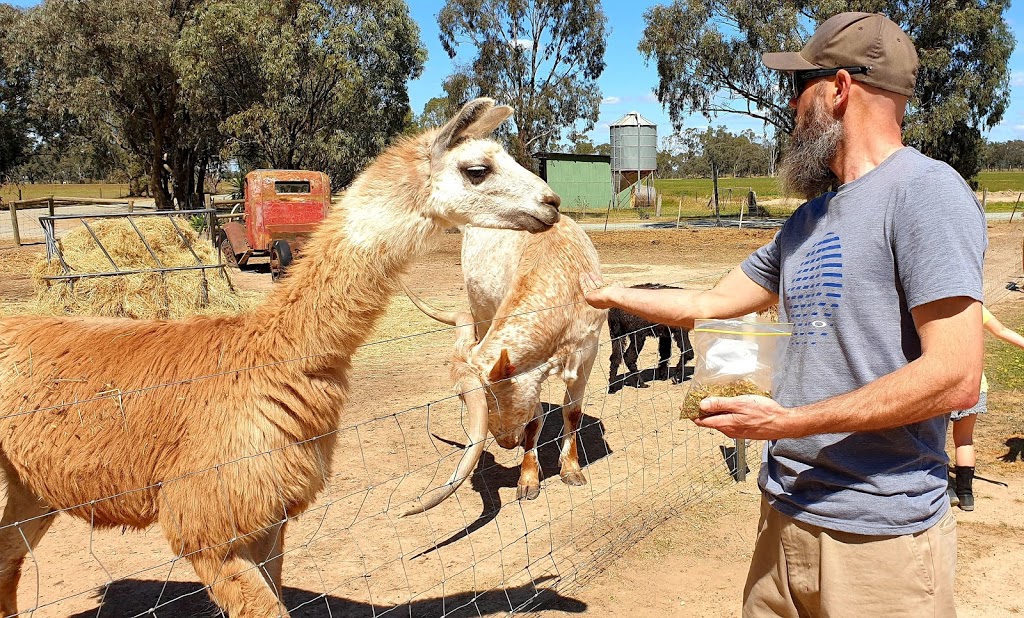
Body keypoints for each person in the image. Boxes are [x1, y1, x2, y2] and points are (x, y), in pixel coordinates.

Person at [582, 12, 987, 617]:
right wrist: (605, 292)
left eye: (798, 87)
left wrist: (790, 423)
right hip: (784, 514)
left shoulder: (924, 192)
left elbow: (954, 375)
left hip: (879, 540)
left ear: (839, 88)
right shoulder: (806, 222)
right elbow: (707, 304)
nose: (791, 107)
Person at [948, 305, 1024, 511]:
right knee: (964, 440)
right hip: (973, 385)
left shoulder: (934, 305)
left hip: (941, 385)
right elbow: (1001, 331)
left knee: (932, 439)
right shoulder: (974, 307)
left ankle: (946, 487)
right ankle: (966, 495)